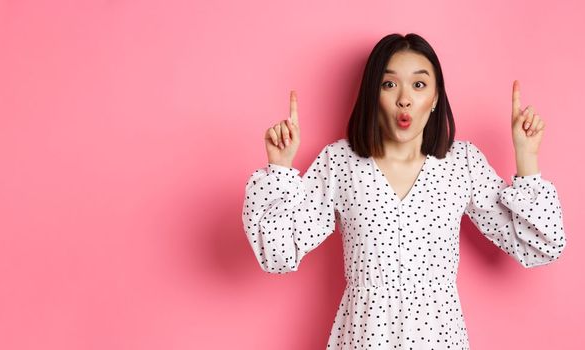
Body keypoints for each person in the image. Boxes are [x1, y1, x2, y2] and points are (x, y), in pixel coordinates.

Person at [242, 33, 566, 349]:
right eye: (389, 84)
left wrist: (527, 157)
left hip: (439, 338)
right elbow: (277, 254)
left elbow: (540, 246)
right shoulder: (340, 163)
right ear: (373, 94)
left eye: (419, 84)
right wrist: (280, 168)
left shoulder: (462, 163)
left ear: (436, 97)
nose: (404, 98)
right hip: (364, 337)